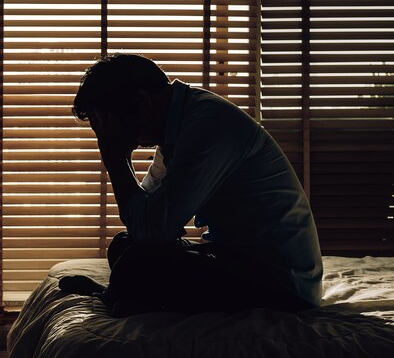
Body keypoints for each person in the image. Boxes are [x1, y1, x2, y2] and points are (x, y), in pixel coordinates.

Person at [59, 53, 323, 316]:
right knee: (123, 245)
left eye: (108, 124)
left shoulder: (208, 127)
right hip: (236, 258)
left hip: (281, 283)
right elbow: (145, 217)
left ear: (141, 103)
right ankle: (121, 296)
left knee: (136, 263)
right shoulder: (177, 127)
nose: (107, 135)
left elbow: (152, 229)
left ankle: (116, 296)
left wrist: (115, 159)